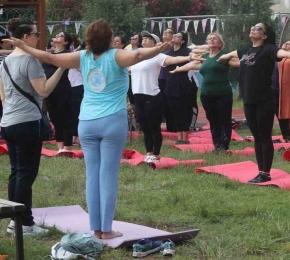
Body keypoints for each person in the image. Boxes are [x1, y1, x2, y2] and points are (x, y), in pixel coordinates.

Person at [4, 19, 172, 240]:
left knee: (92, 175)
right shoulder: (117, 56)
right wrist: (160, 47)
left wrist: (23, 46)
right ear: (110, 37)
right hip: (112, 120)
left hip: (87, 122)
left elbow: (50, 57)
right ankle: (106, 229)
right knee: (108, 176)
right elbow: (139, 55)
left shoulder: (81, 57)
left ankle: (96, 229)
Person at [218, 23, 290, 183]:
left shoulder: (269, 50)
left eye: (258, 28)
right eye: (253, 27)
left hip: (264, 100)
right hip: (248, 100)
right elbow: (233, 53)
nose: (253, 29)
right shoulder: (246, 50)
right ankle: (261, 171)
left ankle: (265, 173)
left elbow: (286, 53)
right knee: (256, 137)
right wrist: (224, 56)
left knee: (264, 136)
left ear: (264, 36)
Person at [0, 19, 64, 236]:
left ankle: (13, 221)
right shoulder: (31, 60)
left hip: (8, 122)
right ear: (25, 38)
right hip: (27, 123)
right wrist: (61, 69)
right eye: (36, 34)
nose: (39, 37)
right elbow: (44, 90)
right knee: (26, 174)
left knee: (16, 173)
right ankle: (24, 223)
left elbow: (3, 97)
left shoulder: (5, 61)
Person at [130, 31, 193, 162]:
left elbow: (173, 60)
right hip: (138, 96)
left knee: (154, 127)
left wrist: (189, 58)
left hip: (152, 96)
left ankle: (156, 154)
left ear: (154, 43)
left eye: (149, 38)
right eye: (144, 38)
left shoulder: (158, 56)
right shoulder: (136, 56)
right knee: (144, 127)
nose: (145, 40)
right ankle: (149, 153)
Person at [172, 33, 234, 152]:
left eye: (214, 38)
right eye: (209, 38)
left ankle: (224, 146)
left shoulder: (224, 56)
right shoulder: (204, 57)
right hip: (206, 94)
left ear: (220, 43)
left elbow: (238, 61)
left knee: (224, 120)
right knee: (212, 119)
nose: (211, 40)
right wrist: (178, 69)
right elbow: (192, 64)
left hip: (223, 94)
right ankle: (217, 145)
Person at [42, 31, 75, 153]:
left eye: (60, 35)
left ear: (66, 41)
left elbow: (57, 61)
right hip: (50, 90)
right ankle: (59, 147)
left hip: (63, 89)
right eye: (56, 35)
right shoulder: (49, 53)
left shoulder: (67, 54)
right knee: (55, 119)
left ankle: (67, 147)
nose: (57, 36)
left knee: (65, 118)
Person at [164, 32, 197, 143]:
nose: (174, 37)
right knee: (174, 112)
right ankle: (179, 137)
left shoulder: (187, 52)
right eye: (174, 35)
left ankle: (185, 137)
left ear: (183, 41)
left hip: (183, 84)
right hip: (170, 84)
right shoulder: (169, 53)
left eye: (178, 36)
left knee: (183, 111)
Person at [69, 35, 84, 146]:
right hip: (70, 84)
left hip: (79, 84)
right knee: (72, 111)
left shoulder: (80, 54)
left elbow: (82, 69)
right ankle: (73, 135)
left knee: (78, 111)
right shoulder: (68, 54)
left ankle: (78, 136)